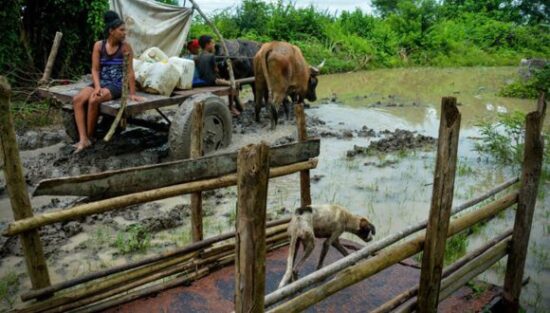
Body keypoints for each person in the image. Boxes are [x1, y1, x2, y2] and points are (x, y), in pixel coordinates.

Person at [71, 10, 142, 153]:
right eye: (121, 30)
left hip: (116, 84)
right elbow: (95, 69)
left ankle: (90, 137)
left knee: (93, 100)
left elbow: (130, 72)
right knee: (77, 99)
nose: (124, 33)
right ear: (111, 31)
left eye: (125, 31)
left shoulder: (125, 47)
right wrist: (97, 86)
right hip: (102, 81)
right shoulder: (98, 46)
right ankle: (83, 138)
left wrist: (132, 93)